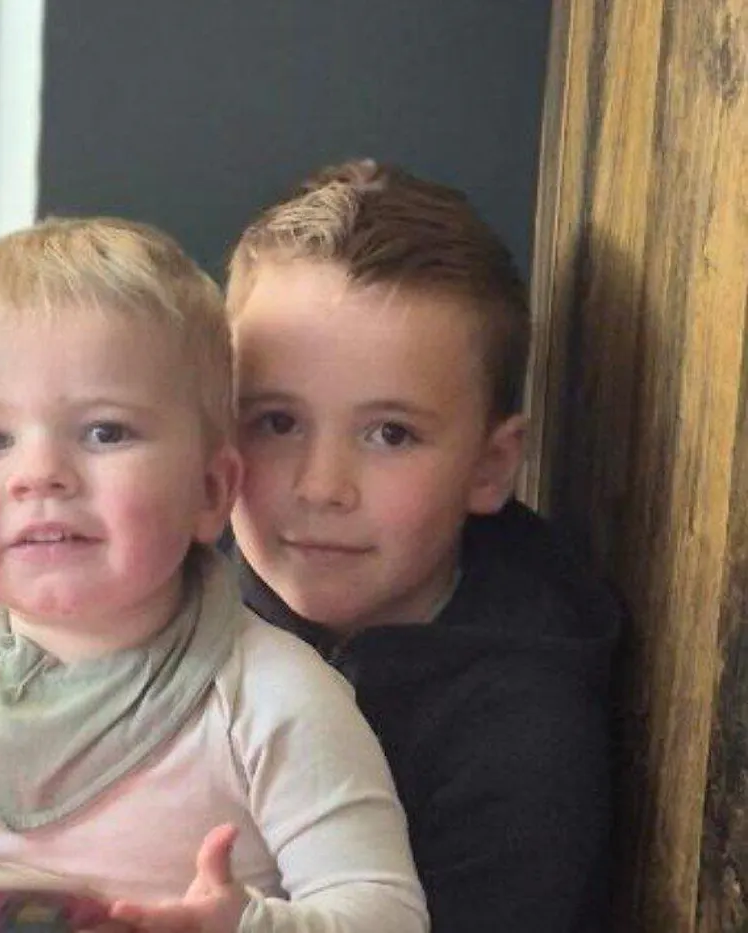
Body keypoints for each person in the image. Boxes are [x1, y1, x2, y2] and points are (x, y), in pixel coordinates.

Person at [0, 218, 429, 933]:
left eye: (105, 432)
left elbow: (386, 915)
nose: (39, 473)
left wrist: (241, 925)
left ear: (210, 490)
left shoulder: (270, 698)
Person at [224, 158, 619, 932]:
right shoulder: (170, 608)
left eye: (390, 434)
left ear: (489, 466)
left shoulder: (522, 742)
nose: (321, 486)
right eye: (277, 421)